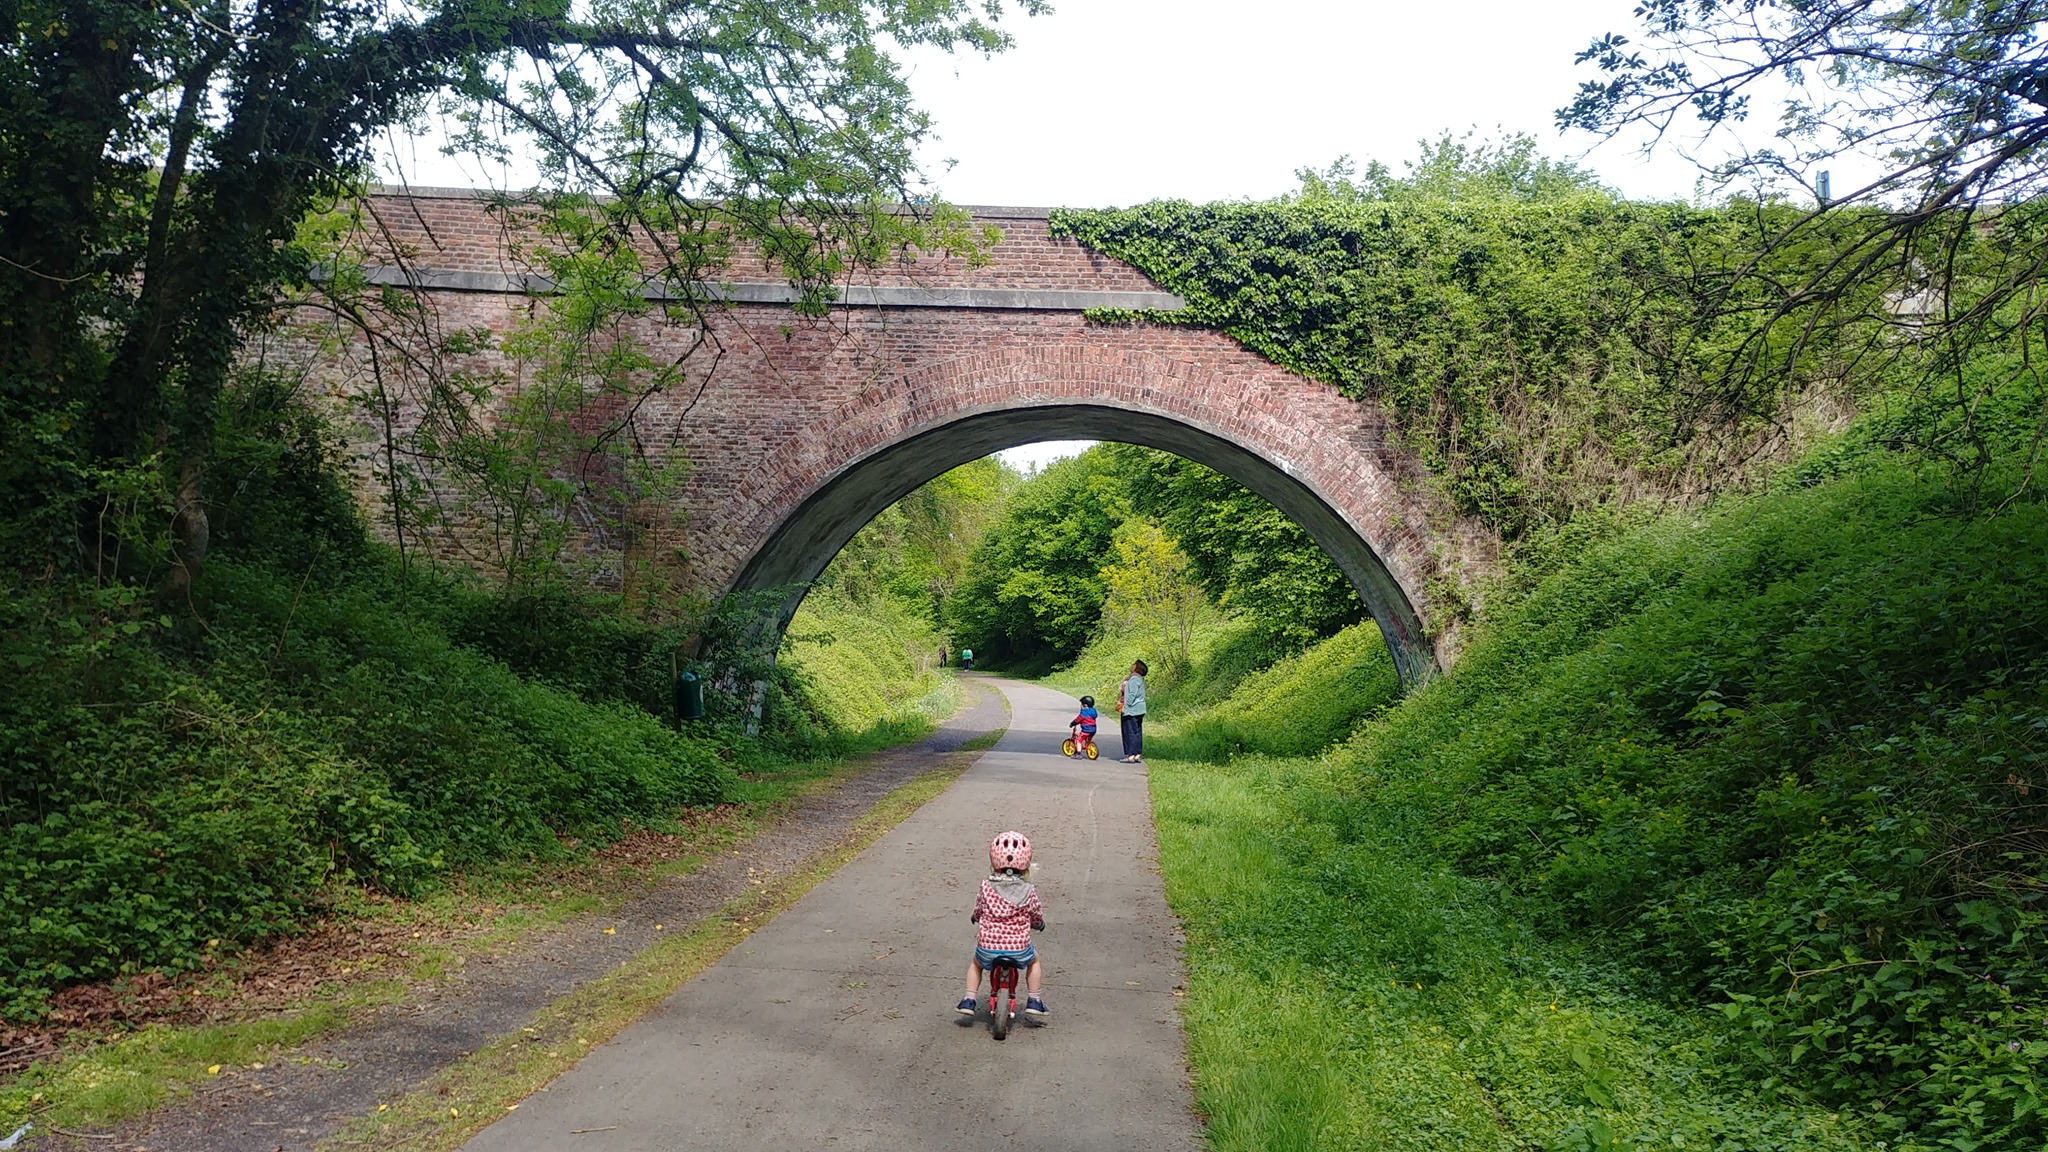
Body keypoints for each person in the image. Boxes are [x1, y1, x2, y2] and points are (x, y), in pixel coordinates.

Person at [958, 831, 1047, 1016]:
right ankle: (1035, 1000)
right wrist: (1038, 923)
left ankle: (969, 999)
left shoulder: (985, 887)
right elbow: (1035, 911)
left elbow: (979, 908)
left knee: (976, 964)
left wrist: (976, 916)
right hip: (1019, 949)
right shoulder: (1028, 890)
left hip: (987, 948)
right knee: (1034, 961)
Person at [1117, 659, 1148, 762]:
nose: (1132, 666)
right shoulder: (1140, 679)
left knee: (1129, 732)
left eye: (1134, 665)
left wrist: (1126, 706)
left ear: (1137, 668)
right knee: (1137, 732)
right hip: (1140, 709)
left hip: (1132, 710)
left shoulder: (1134, 679)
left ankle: (1130, 755)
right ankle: (1137, 754)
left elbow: (1132, 695)